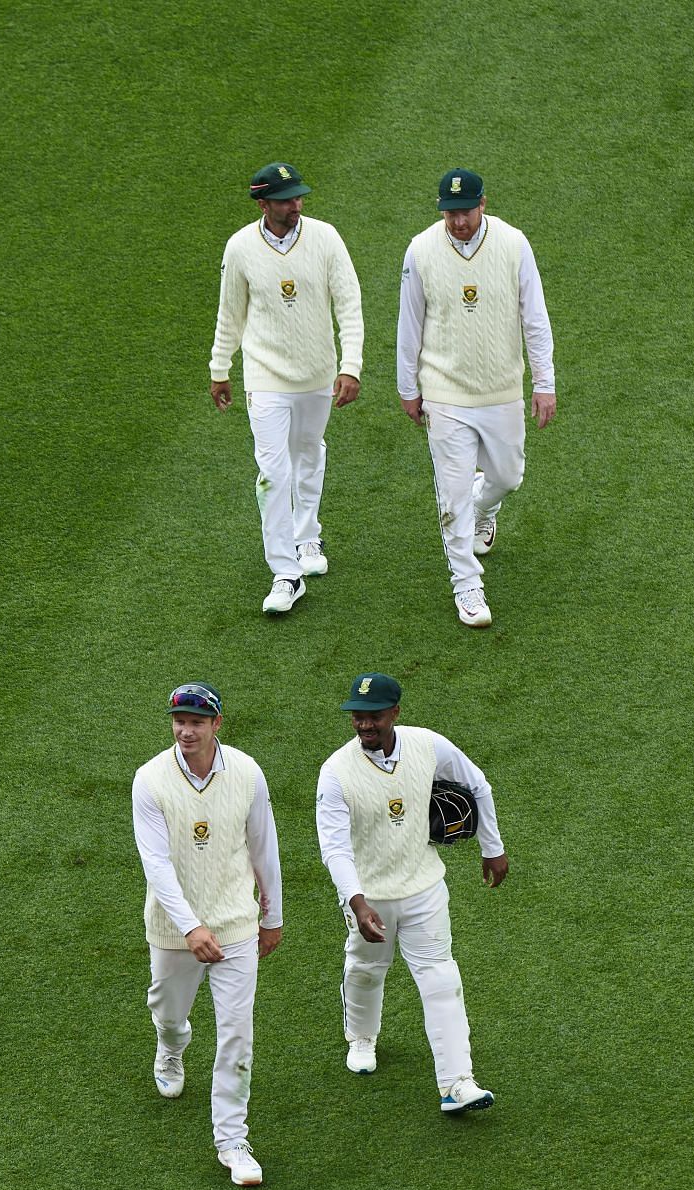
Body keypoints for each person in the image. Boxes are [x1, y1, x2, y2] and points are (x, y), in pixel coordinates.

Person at [314, 673, 505, 1112]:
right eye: (357, 718)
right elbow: (335, 846)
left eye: (374, 717)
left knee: (441, 979)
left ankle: (457, 1083)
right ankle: (362, 1037)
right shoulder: (336, 773)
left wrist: (492, 848)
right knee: (365, 968)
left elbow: (477, 784)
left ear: (395, 713)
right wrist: (356, 901)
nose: (364, 726)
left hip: (424, 888)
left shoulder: (427, 745)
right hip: (370, 896)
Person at [133, 682, 284, 1187]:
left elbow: (264, 846)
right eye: (179, 721)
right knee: (168, 1012)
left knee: (237, 1033)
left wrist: (272, 916)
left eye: (197, 722)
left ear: (217, 724)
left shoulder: (247, 773)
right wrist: (190, 927)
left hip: (236, 924)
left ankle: (232, 1140)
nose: (185, 730)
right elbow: (156, 864)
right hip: (174, 931)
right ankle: (171, 1046)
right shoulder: (150, 780)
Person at [396, 168, 557, 628]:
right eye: (449, 213)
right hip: (445, 393)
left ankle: (484, 507)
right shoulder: (421, 249)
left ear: (483, 204)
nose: (458, 221)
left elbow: (535, 318)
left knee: (507, 476)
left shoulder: (514, 244)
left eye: (464, 211)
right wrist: (409, 387)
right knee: (452, 495)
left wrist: (543, 383)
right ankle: (467, 584)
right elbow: (410, 324)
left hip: (501, 389)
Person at [210, 162, 365, 616]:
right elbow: (230, 313)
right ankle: (285, 572)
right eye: (285, 199)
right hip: (266, 378)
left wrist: (351, 366)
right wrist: (220, 368)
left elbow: (350, 305)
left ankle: (307, 534)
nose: (295, 205)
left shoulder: (326, 238)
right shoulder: (240, 247)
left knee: (309, 452)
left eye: (298, 197)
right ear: (263, 204)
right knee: (272, 473)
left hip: (318, 374)